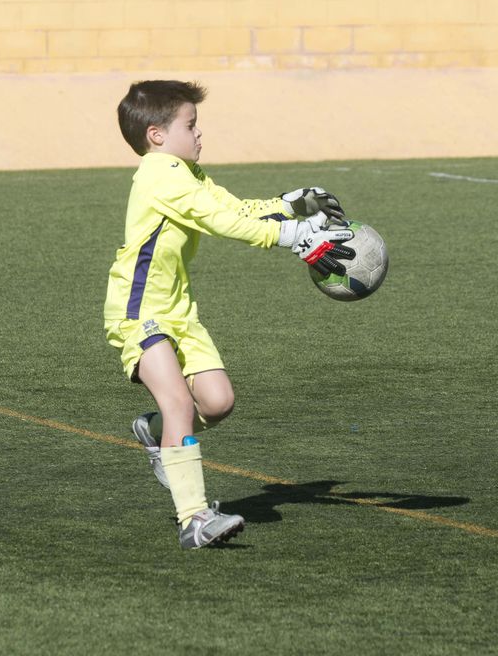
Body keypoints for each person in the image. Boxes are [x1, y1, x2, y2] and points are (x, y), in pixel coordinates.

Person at [103, 80, 357, 548]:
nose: (200, 134)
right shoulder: (159, 175)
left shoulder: (187, 173)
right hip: (140, 309)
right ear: (157, 135)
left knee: (217, 403)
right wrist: (293, 236)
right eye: (191, 125)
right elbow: (219, 222)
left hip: (180, 310)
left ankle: (154, 431)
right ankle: (194, 519)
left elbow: (233, 208)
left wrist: (286, 207)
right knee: (179, 403)